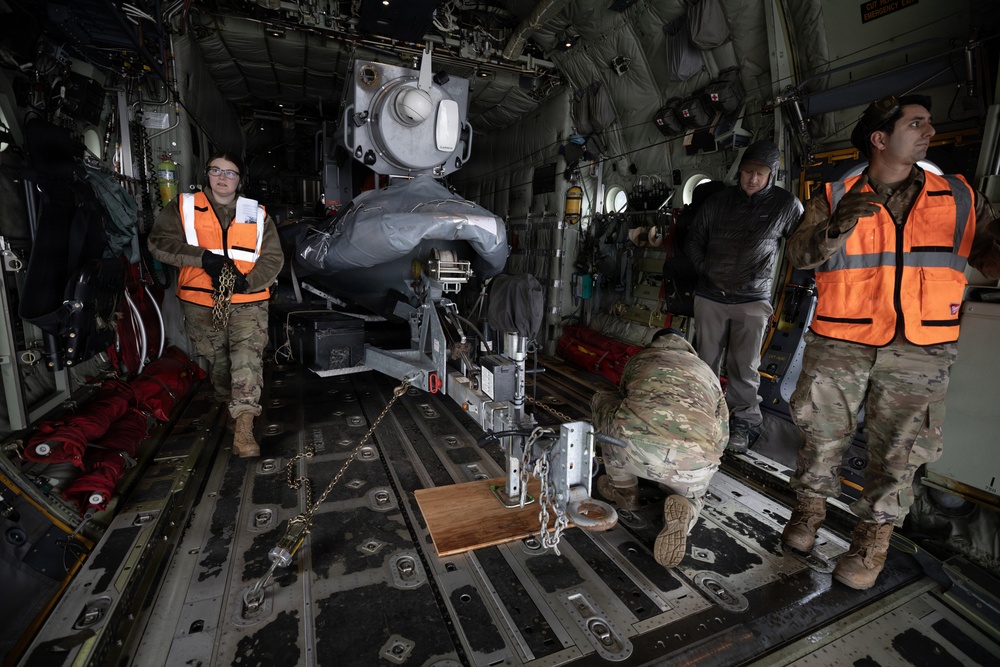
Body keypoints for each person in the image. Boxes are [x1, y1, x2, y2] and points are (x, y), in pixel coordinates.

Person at [782, 94, 1000, 590]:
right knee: (821, 437)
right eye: (917, 123)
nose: (929, 132)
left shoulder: (961, 196)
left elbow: (990, 253)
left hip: (921, 350)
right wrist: (835, 228)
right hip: (841, 340)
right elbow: (799, 254)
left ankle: (870, 542)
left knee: (902, 451)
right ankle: (808, 515)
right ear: (880, 139)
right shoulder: (836, 194)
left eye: (930, 123)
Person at [148, 152, 284, 458]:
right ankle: (230, 405)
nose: (222, 178)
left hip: (248, 299)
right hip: (201, 301)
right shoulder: (183, 207)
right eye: (216, 170)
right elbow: (160, 242)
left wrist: (248, 281)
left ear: (240, 179)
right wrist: (202, 258)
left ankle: (245, 425)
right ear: (207, 174)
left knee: (246, 356)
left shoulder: (257, 213)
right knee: (220, 361)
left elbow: (273, 256)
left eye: (230, 173)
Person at [685, 140, 803, 453]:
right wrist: (707, 269)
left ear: (772, 174)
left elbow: (802, 250)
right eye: (748, 172)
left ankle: (745, 422)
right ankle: (702, 416)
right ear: (740, 171)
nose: (752, 178)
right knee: (704, 361)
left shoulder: (786, 205)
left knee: (745, 367)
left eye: (760, 173)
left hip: (752, 299)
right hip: (711, 296)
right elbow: (694, 239)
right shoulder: (718, 202)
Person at [591, 329, 729, 568]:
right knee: (694, 494)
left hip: (633, 450)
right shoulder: (706, 371)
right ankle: (687, 509)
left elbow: (623, 394)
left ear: (654, 343)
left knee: (607, 404)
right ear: (687, 347)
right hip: (695, 462)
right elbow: (724, 431)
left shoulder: (641, 359)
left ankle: (625, 492)